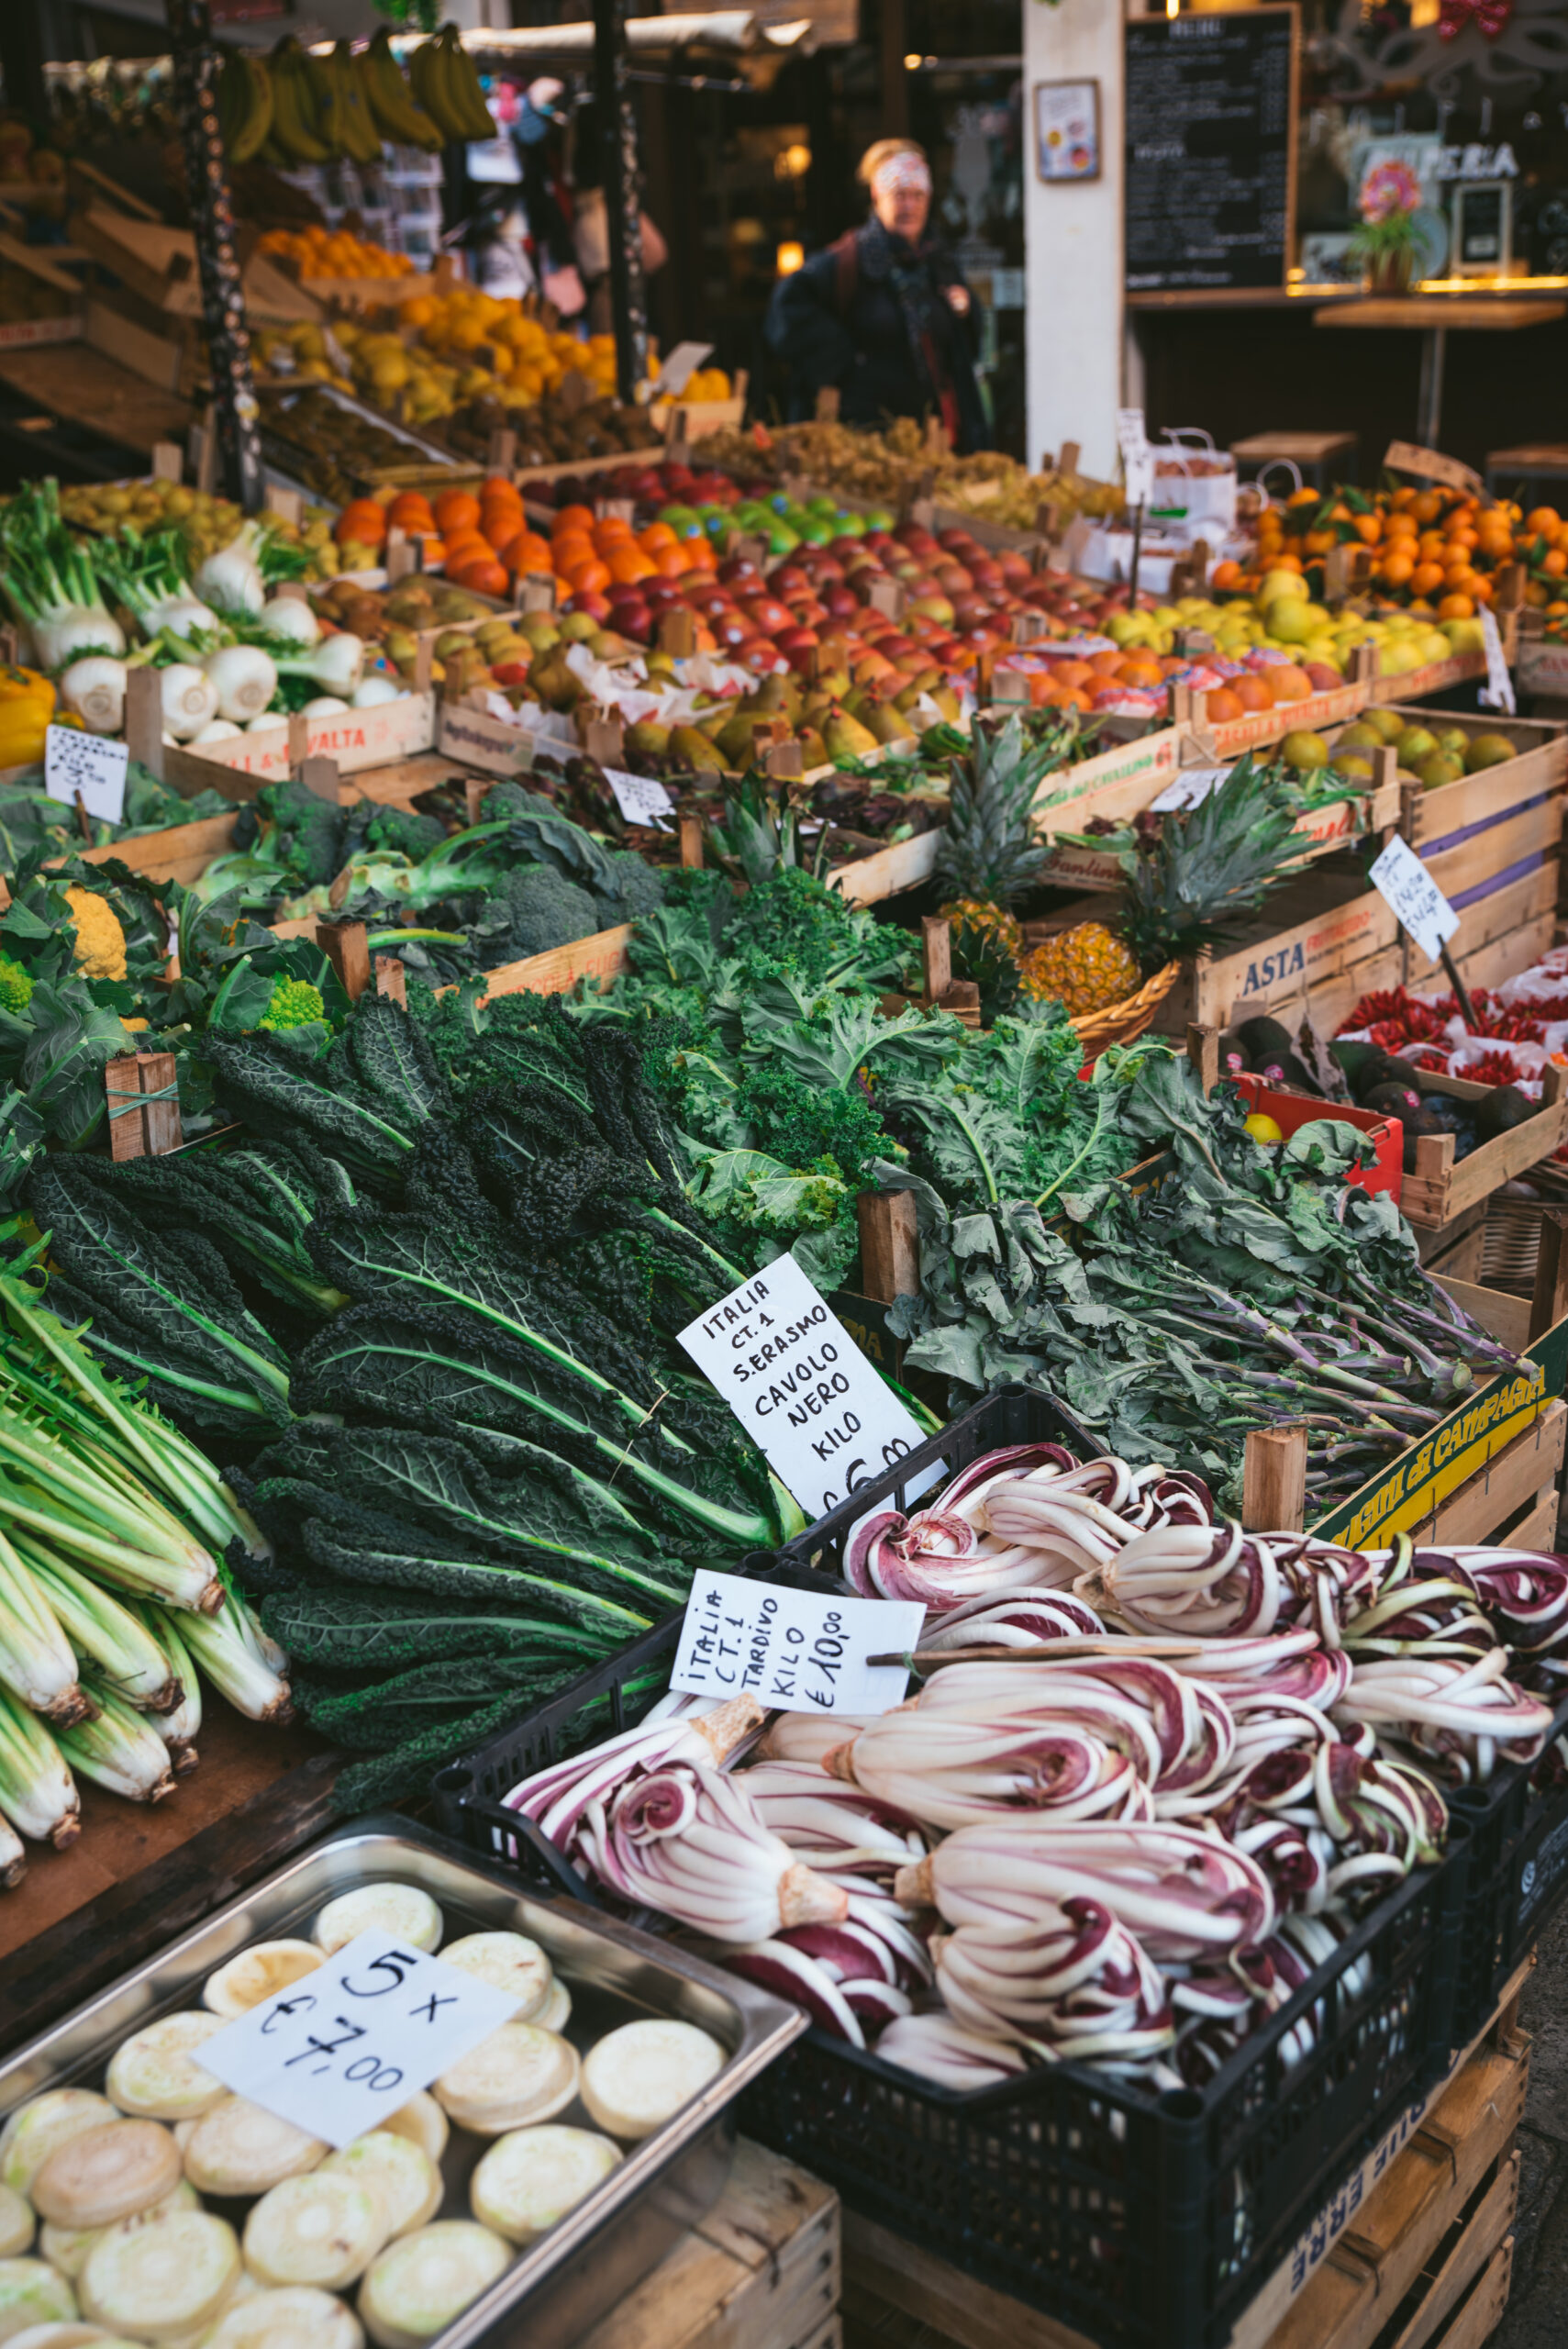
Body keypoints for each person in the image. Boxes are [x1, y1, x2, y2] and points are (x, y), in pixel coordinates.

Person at [765, 138, 988, 452]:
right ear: (876, 196)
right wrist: (849, 364)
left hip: (935, 439)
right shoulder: (848, 260)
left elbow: (960, 346)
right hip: (865, 439)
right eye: (899, 196)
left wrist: (966, 311)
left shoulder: (938, 261)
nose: (909, 206)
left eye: (918, 196)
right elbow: (787, 309)